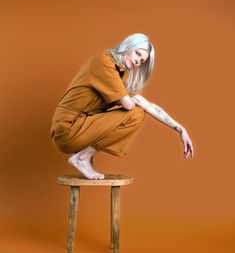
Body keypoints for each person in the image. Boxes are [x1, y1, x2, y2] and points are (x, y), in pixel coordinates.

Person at [50, 33, 194, 180]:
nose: (138, 61)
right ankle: (82, 159)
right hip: (67, 127)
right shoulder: (104, 61)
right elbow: (129, 105)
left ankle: (83, 157)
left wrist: (180, 129)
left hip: (82, 124)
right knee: (136, 112)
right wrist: (134, 101)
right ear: (128, 46)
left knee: (139, 111)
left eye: (142, 60)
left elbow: (148, 106)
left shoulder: (123, 75)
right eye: (137, 53)